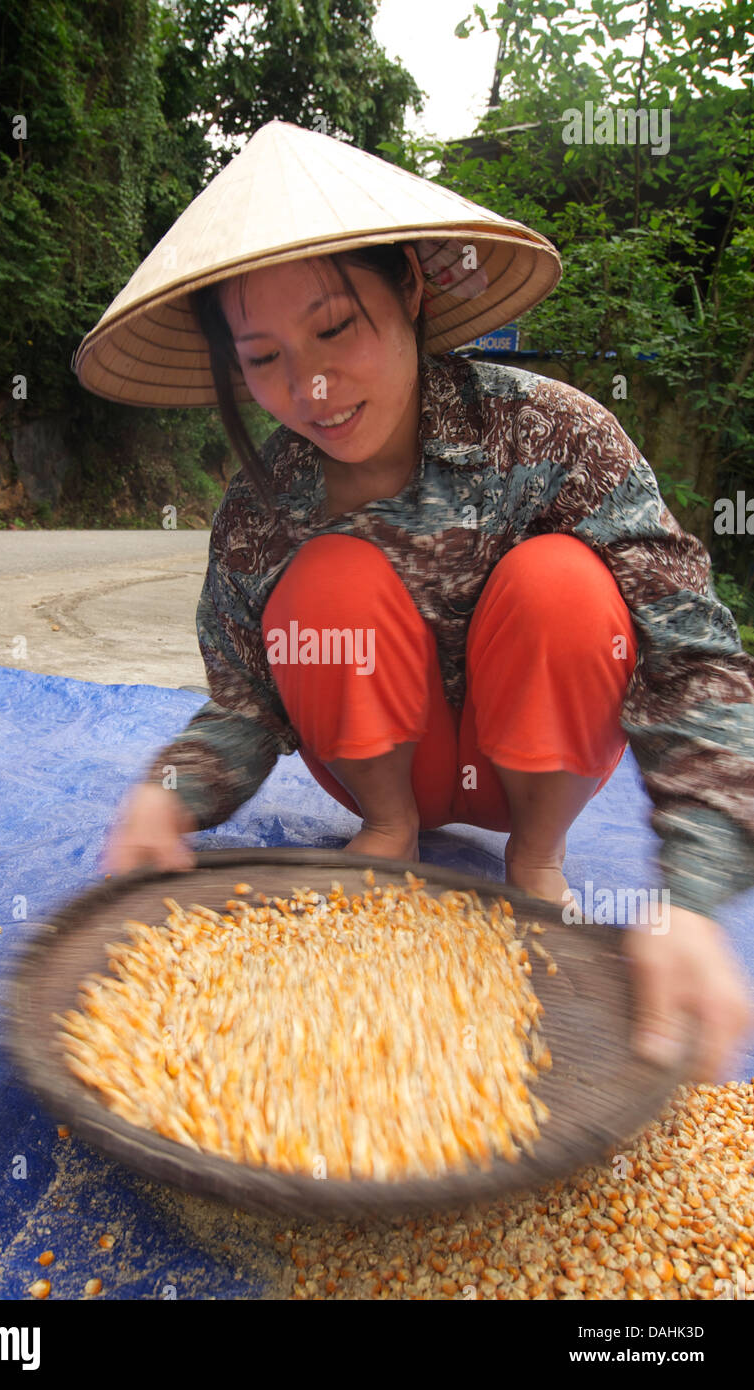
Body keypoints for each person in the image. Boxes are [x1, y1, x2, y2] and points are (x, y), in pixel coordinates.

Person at [74, 120, 754, 1081]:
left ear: (411, 290)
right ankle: (389, 831)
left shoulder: (554, 432)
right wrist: (169, 796)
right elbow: (243, 707)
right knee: (332, 581)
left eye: (335, 327)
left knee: (560, 582)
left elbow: (692, 655)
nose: (309, 384)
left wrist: (689, 896)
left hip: (541, 760)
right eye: (262, 357)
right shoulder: (261, 513)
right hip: (371, 764)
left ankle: (536, 856)